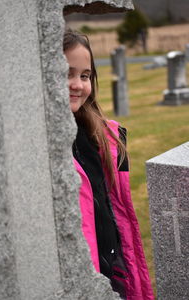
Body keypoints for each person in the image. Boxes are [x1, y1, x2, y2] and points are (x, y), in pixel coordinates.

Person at [63, 28, 154, 300]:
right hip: (81, 277)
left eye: (85, 75)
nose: (77, 84)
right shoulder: (45, 149)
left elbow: (122, 212)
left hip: (115, 271)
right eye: (66, 73)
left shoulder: (113, 137)